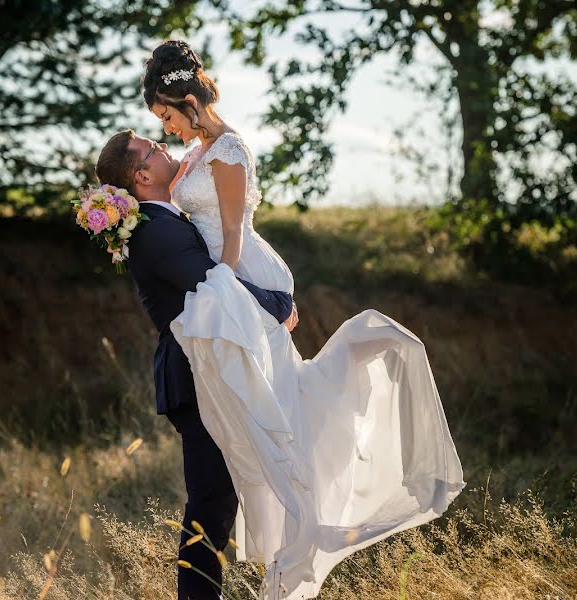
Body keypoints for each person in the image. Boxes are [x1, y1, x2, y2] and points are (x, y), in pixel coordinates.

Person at [140, 39, 465, 600]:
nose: (166, 127)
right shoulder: (194, 151)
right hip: (230, 283)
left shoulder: (228, 149)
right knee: (268, 419)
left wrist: (233, 300)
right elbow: (159, 198)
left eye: (166, 114)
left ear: (185, 99)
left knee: (274, 420)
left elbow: (234, 235)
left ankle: (299, 530)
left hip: (244, 273)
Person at [95, 129, 297, 600]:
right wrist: (276, 302)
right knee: (211, 503)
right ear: (142, 174)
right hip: (192, 374)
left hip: (205, 369)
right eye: (154, 150)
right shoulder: (152, 230)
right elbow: (213, 284)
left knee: (219, 501)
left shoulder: (162, 217)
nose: (166, 149)